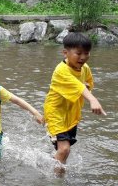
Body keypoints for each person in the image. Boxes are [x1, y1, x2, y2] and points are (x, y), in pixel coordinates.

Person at [44, 32, 106, 173]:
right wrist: (92, 99)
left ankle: (55, 168)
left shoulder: (85, 68)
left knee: (65, 151)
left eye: (86, 53)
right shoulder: (61, 70)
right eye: (78, 53)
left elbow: (87, 83)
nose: (83, 57)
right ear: (65, 53)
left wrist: (87, 89)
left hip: (71, 114)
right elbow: (78, 86)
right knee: (64, 149)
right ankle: (55, 183)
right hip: (56, 113)